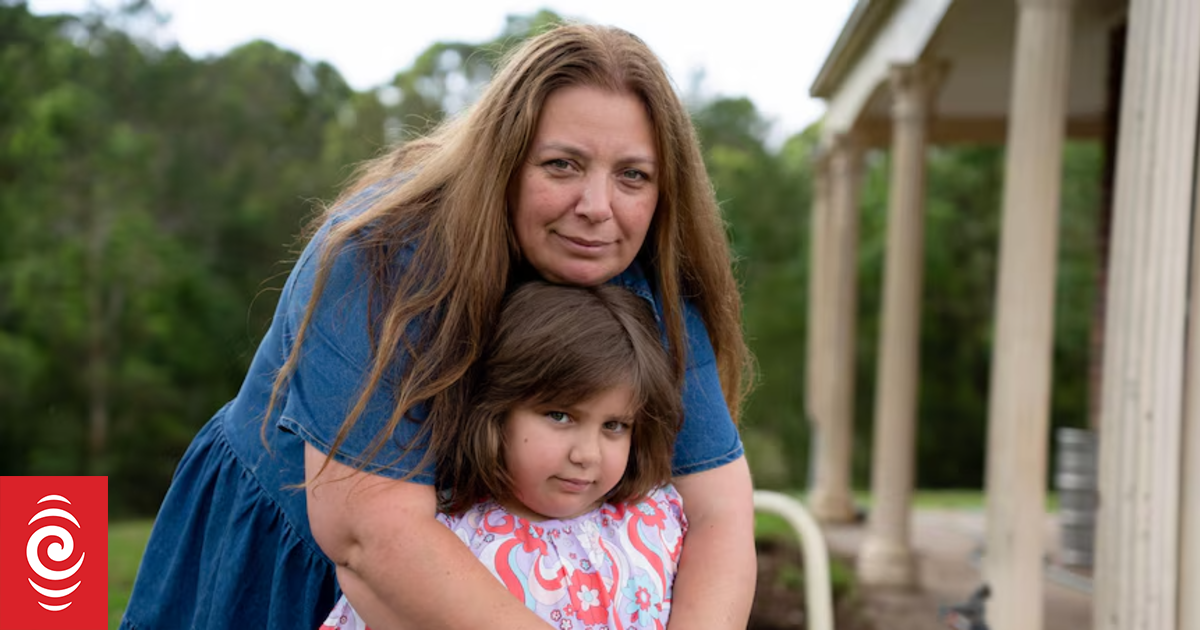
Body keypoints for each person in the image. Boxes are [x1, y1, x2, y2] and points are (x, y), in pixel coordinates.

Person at [120, 23, 755, 630]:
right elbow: (371, 537)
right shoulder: (382, 254)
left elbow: (719, 511)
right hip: (303, 565)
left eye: (632, 176)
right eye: (561, 165)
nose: (596, 207)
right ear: (504, 160)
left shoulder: (649, 277)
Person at [319, 281, 687, 630]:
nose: (587, 454)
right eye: (560, 416)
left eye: (614, 426)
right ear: (497, 413)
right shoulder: (447, 547)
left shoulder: (655, 522)